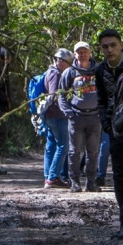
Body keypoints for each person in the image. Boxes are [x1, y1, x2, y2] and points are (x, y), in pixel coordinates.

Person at [95, 29, 123, 239]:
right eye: (105, 46)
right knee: (119, 175)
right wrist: (105, 121)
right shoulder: (100, 70)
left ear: (121, 45)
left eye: (113, 45)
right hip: (114, 128)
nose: (109, 50)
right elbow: (102, 99)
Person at [59, 41, 101, 192]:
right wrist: (69, 113)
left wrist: (104, 111)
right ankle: (74, 181)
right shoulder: (69, 73)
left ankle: (91, 181)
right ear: (75, 54)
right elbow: (61, 95)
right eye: (79, 52)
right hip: (76, 116)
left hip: (95, 117)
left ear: (90, 53)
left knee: (93, 151)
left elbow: (107, 92)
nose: (82, 54)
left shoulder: (99, 70)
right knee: (74, 151)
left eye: (85, 51)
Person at [42, 49, 73, 188]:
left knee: (51, 146)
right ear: (62, 61)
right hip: (57, 115)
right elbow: (54, 95)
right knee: (63, 146)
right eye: (68, 62)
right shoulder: (56, 74)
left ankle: (49, 176)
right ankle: (52, 178)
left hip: (49, 115)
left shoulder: (50, 72)